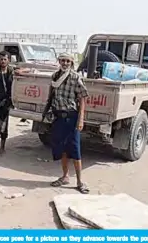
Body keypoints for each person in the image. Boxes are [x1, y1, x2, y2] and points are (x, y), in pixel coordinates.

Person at [42, 53, 89, 194]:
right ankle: (65, 176)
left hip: (72, 118)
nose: (65, 63)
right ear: (59, 61)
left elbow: (82, 99)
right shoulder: (55, 77)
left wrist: (81, 119)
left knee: (75, 151)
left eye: (68, 61)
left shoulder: (75, 77)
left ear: (71, 63)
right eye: (62, 60)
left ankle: (80, 181)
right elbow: (51, 96)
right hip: (58, 118)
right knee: (61, 149)